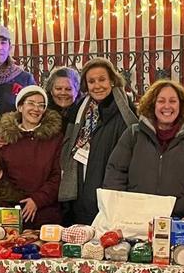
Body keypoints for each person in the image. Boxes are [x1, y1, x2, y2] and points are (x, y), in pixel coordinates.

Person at [104, 79, 184, 222]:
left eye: (173, 101)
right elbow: (115, 174)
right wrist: (117, 211)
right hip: (135, 219)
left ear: (181, 105)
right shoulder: (133, 135)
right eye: (161, 101)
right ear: (152, 104)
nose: (167, 106)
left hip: (177, 220)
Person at [59, 58, 137, 225]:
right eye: (91, 81)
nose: (97, 85)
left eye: (102, 79)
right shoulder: (80, 109)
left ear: (112, 80)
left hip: (110, 186)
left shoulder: (125, 110)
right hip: (82, 184)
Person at [0, 86, 64, 227]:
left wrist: (37, 200)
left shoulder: (55, 139)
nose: (36, 109)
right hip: (13, 212)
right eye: (31, 103)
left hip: (47, 213)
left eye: (41, 105)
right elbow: (0, 174)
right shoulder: (6, 139)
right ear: (20, 107)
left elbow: (58, 176)